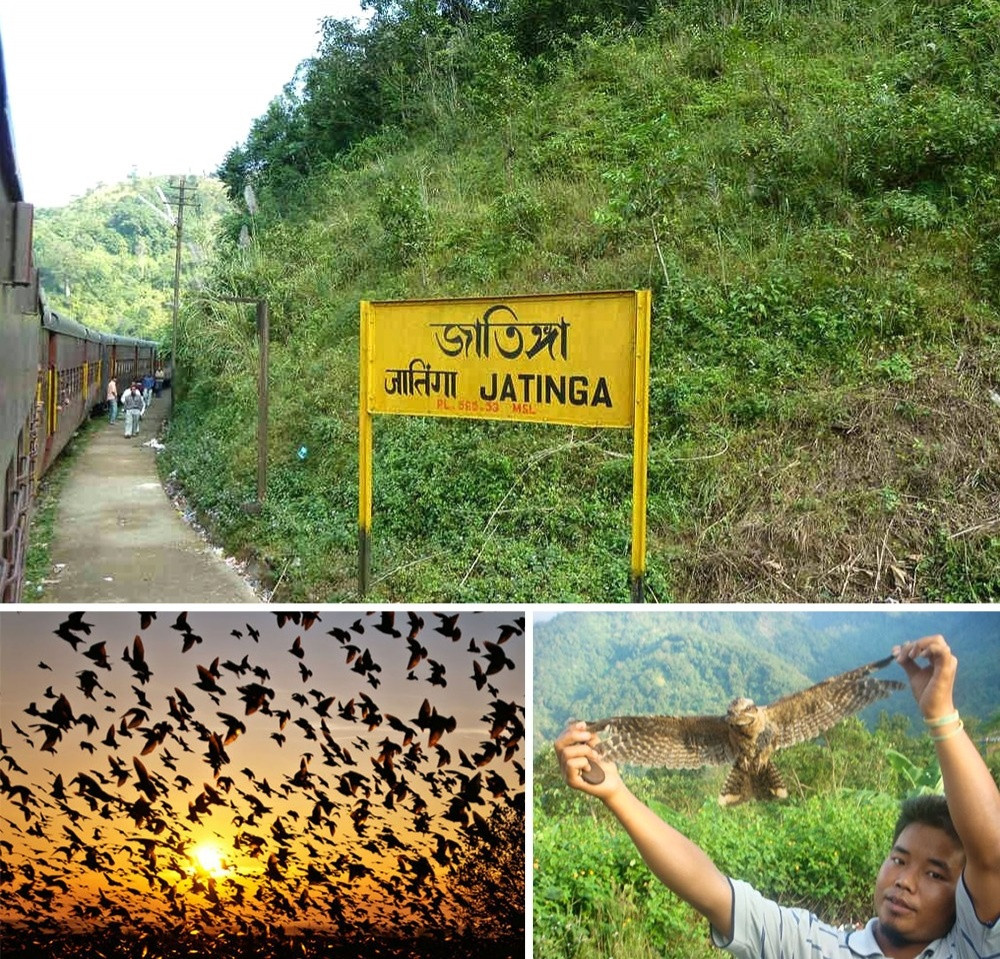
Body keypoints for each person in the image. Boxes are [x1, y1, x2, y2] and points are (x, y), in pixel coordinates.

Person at [554, 636, 1000, 959]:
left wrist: (941, 715)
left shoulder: (970, 949)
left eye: (936, 874)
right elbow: (711, 890)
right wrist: (615, 792)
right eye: (899, 860)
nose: (905, 881)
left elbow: (991, 850)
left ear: (966, 895)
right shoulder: (813, 947)